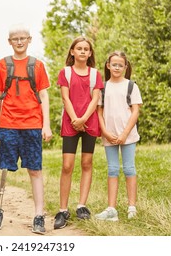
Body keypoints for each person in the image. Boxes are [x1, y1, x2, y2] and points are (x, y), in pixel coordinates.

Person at [0, 24, 53, 234]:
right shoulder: (2, 64)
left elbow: (44, 96)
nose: (19, 42)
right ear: (9, 42)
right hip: (8, 124)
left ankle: (38, 215)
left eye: (23, 38)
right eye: (15, 39)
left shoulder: (37, 65)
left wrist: (46, 125)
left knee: (35, 169)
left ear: (29, 40)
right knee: (6, 168)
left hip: (33, 124)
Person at [54, 37, 104, 229]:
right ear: (72, 52)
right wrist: (75, 119)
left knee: (86, 163)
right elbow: (65, 98)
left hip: (89, 122)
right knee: (67, 165)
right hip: (70, 122)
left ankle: (82, 206)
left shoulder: (95, 74)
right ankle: (62, 209)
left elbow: (95, 99)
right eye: (79, 48)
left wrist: (83, 119)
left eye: (86, 49)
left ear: (90, 53)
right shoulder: (65, 73)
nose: (83, 51)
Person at [95, 51, 142, 221]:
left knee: (129, 168)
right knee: (113, 169)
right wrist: (105, 132)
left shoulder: (131, 86)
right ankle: (111, 209)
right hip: (109, 135)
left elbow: (135, 111)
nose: (116, 67)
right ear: (108, 65)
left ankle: (132, 207)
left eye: (120, 65)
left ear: (125, 67)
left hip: (127, 135)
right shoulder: (103, 87)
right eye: (114, 64)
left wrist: (124, 134)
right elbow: (99, 112)